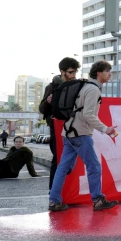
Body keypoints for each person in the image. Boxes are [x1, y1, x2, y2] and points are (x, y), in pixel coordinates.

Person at [48, 61, 119, 212]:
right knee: (94, 166)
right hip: (80, 133)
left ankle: (54, 200)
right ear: (99, 73)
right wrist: (105, 129)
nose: (110, 74)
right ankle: (97, 199)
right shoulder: (93, 90)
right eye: (108, 71)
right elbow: (88, 115)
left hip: (68, 132)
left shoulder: (85, 86)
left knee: (63, 168)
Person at [40, 58, 79, 192]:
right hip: (56, 128)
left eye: (75, 72)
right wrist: (48, 102)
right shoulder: (52, 87)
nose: (73, 75)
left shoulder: (76, 85)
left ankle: (67, 190)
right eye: (70, 72)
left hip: (73, 127)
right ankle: (54, 191)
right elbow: (41, 109)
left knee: (72, 160)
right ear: (62, 72)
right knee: (58, 159)